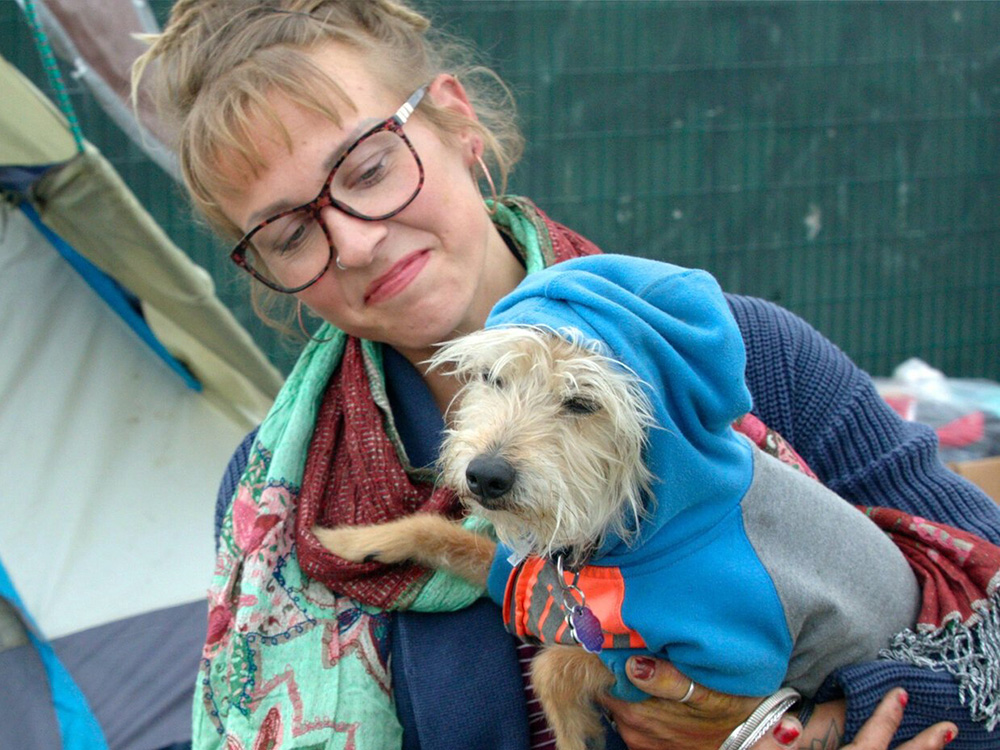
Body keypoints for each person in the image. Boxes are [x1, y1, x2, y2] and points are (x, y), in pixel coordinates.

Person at [131, 2, 1000, 748]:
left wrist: (835, 716)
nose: (354, 241)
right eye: (289, 234)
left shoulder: (737, 354)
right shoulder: (286, 504)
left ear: (454, 122)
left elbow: (988, 612)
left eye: (368, 169)